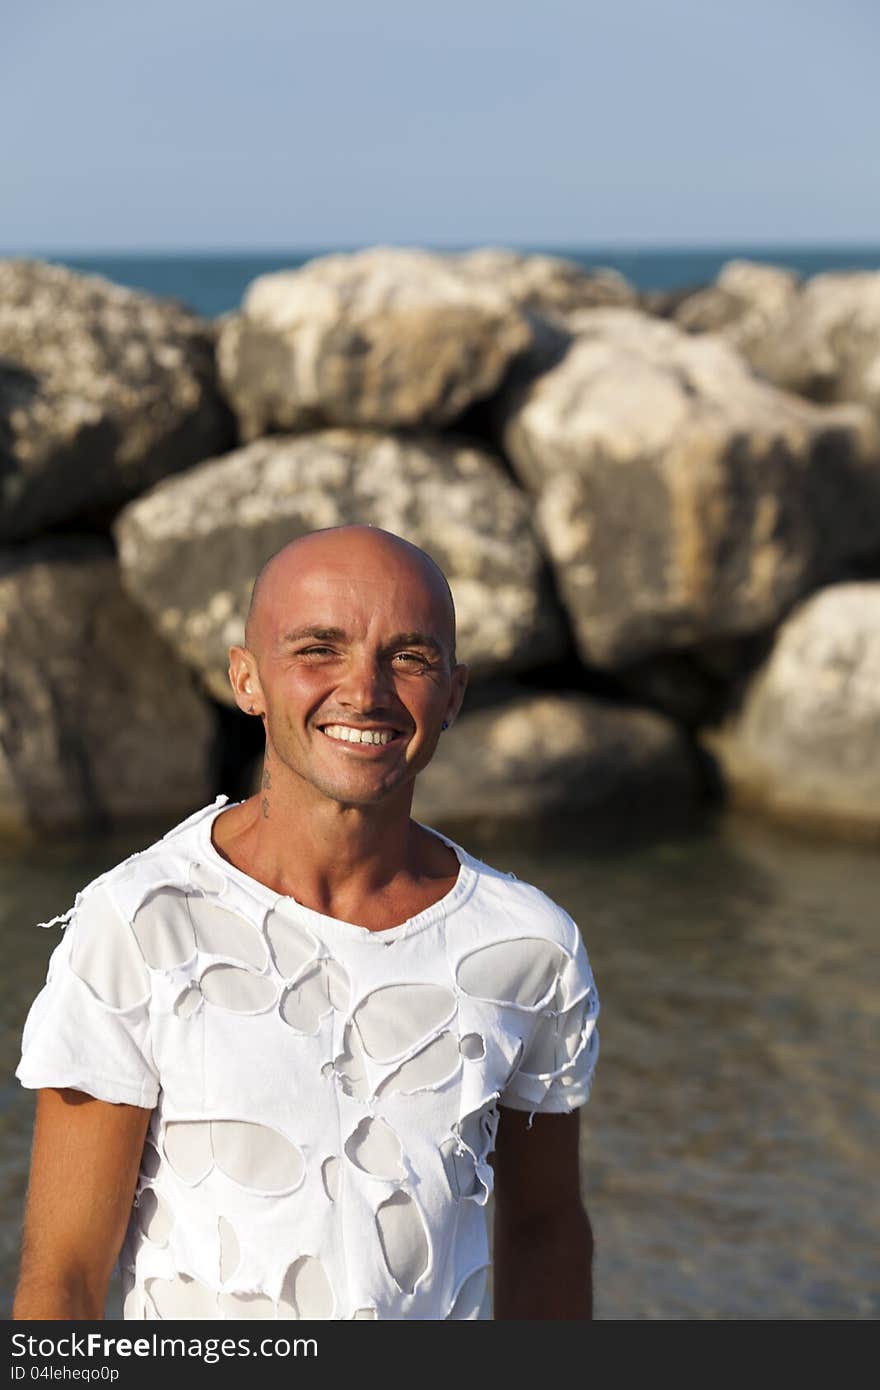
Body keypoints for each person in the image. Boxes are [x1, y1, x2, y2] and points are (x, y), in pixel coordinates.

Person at [13, 523, 600, 1321]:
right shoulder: (142, 922)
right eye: (319, 649)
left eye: (410, 657)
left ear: (454, 694)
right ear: (246, 681)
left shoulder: (529, 947)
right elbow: (66, 1279)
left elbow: (544, 1232)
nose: (365, 690)